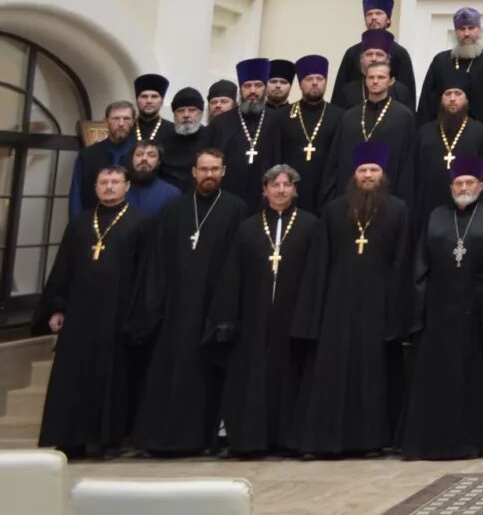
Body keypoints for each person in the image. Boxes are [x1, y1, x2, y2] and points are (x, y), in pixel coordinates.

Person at [289, 142, 413, 457]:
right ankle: (328, 440)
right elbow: (320, 263)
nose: (368, 175)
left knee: (371, 372)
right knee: (332, 370)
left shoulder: (398, 210)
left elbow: (402, 263)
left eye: (374, 170)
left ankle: (369, 440)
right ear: (353, 175)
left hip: (377, 302)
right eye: (362, 170)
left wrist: (397, 311)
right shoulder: (334, 210)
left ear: (383, 175)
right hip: (337, 303)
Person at [33, 163, 158, 457]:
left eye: (116, 182)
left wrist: (137, 314)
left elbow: (146, 273)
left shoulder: (141, 223)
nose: (110, 187)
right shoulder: (80, 223)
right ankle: (70, 438)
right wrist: (57, 308)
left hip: (117, 313)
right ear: (95, 187)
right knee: (72, 376)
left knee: (111, 377)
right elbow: (64, 268)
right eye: (104, 182)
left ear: (128, 186)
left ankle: (107, 439)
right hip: (79, 314)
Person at [128, 145, 243, 455]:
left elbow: (236, 262)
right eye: (203, 169)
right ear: (194, 172)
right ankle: (161, 439)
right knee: (169, 373)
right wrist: (157, 304)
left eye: (214, 169)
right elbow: (158, 261)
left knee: (204, 377)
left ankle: (201, 439)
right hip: (176, 309)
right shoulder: (175, 209)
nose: (209, 175)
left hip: (212, 307)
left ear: (223, 172)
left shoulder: (236, 209)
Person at [208, 163, 321, 456]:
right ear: (264, 190)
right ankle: (252, 440)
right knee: (253, 379)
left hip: (293, 316)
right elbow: (233, 275)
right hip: (255, 317)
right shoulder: (248, 227)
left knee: (291, 377)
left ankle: (289, 440)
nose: (281, 190)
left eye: (286, 185)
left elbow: (316, 275)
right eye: (275, 185)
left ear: (295, 190)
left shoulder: (310, 226)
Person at [401, 156, 483, 460]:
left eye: (470, 183)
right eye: (459, 183)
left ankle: (471, 442)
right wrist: (418, 312)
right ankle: (433, 442)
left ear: (481, 186)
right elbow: (420, 266)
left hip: (476, 310)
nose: (464, 188)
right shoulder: (435, 217)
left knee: (471, 379)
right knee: (437, 380)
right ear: (450, 186)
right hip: (438, 310)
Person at [321, 59, 416, 210]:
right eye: (371, 77)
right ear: (365, 81)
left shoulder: (404, 116)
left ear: (391, 81)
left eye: (381, 77)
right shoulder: (350, 116)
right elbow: (336, 158)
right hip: (351, 197)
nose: (375, 81)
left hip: (389, 199)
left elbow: (408, 163)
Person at [409, 74, 483, 229]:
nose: (452, 98)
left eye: (458, 94)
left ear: (467, 100)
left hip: (468, 211)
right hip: (427, 208)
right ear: (440, 99)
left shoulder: (482, 133)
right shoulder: (424, 132)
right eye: (447, 94)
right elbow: (412, 174)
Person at [210, 60, 280, 209]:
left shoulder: (278, 120)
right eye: (247, 86)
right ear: (240, 90)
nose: (253, 91)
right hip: (227, 199)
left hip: (267, 200)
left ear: (266, 88)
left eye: (258, 85)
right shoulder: (221, 123)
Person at [276, 56, 341, 210]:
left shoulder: (339, 116)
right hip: (289, 190)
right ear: (300, 84)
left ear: (325, 82)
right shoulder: (282, 116)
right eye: (309, 79)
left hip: (326, 191)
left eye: (319, 78)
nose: (314, 82)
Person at [334, 0, 418, 103]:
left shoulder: (399, 53)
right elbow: (340, 90)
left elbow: (407, 92)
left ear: (388, 19)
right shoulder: (352, 52)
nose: (373, 17)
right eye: (369, 14)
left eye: (378, 13)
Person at [69, 99, 135, 216]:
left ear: (133, 122)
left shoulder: (140, 156)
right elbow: (76, 195)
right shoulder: (87, 155)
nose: (121, 123)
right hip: (92, 222)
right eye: (115, 118)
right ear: (106, 121)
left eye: (126, 119)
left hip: (132, 224)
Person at [419, 6, 483, 117]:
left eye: (471, 28)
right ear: (455, 32)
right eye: (462, 29)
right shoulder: (441, 61)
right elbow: (427, 101)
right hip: (445, 128)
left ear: (479, 30)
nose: (466, 34)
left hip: (481, 130)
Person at [333, 32, 406, 110]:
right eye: (369, 54)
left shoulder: (401, 92)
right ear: (361, 59)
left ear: (388, 59)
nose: (374, 59)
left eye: (379, 54)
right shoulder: (347, 92)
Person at [158, 85, 208, 191]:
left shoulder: (211, 137)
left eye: (192, 110)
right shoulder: (163, 140)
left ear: (200, 113)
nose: (186, 115)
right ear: (174, 115)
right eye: (181, 111)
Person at [124, 139, 181, 215]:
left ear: (158, 162)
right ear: (132, 159)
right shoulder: (120, 189)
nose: (144, 159)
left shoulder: (172, 194)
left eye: (151, 155)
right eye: (139, 154)